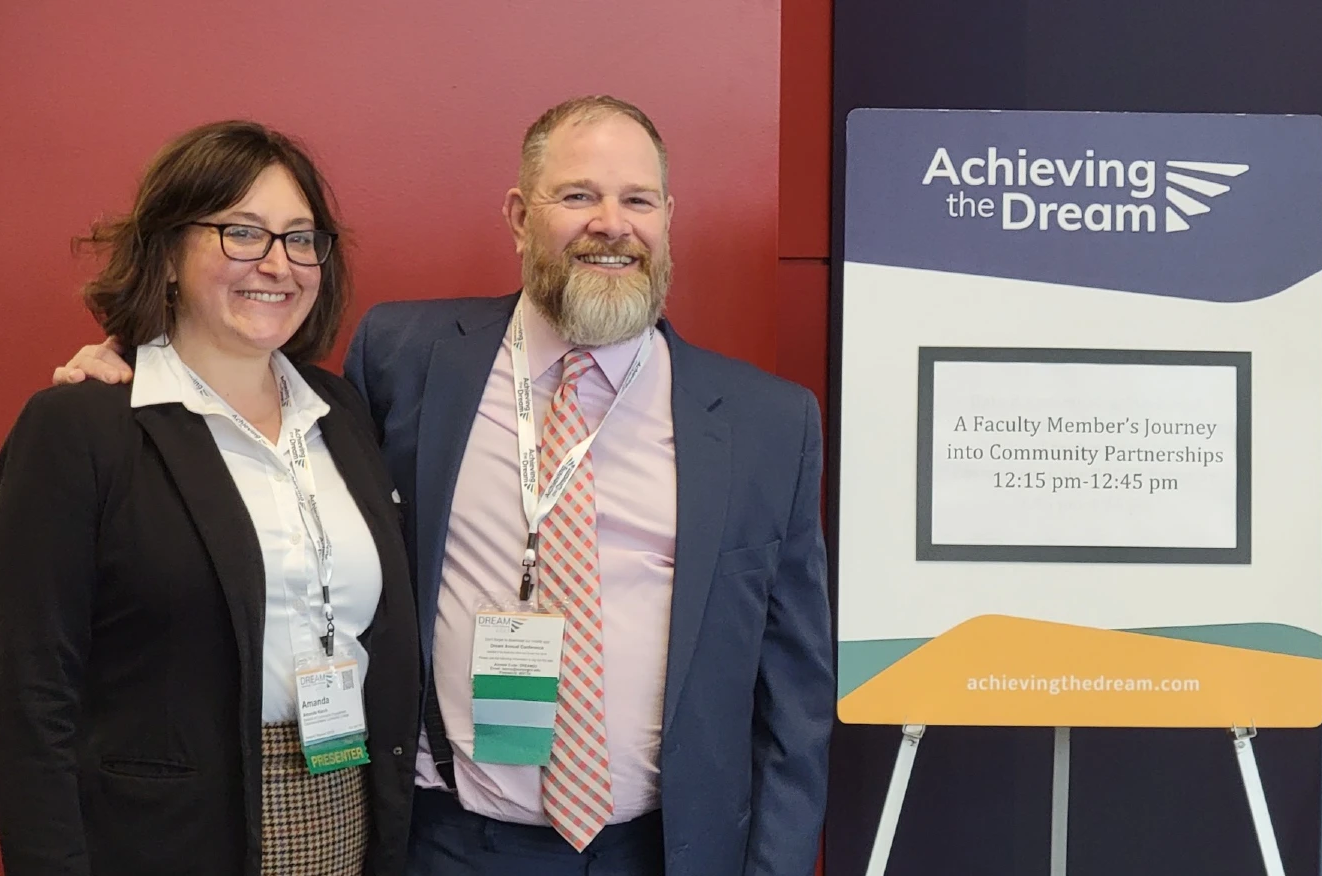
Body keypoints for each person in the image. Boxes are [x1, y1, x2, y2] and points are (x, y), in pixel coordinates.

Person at [55, 95, 833, 876]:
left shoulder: (770, 424)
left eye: (637, 199)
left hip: (663, 850)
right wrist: (135, 361)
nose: (611, 222)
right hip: (446, 842)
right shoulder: (406, 357)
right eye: (577, 196)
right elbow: (250, 393)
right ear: (520, 216)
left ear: (668, 217)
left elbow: (795, 700)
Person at [0, 121, 420, 875]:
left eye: (300, 238)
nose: (278, 264)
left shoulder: (341, 413)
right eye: (242, 233)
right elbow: (27, 697)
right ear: (166, 254)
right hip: (165, 841)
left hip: (345, 815)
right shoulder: (81, 428)